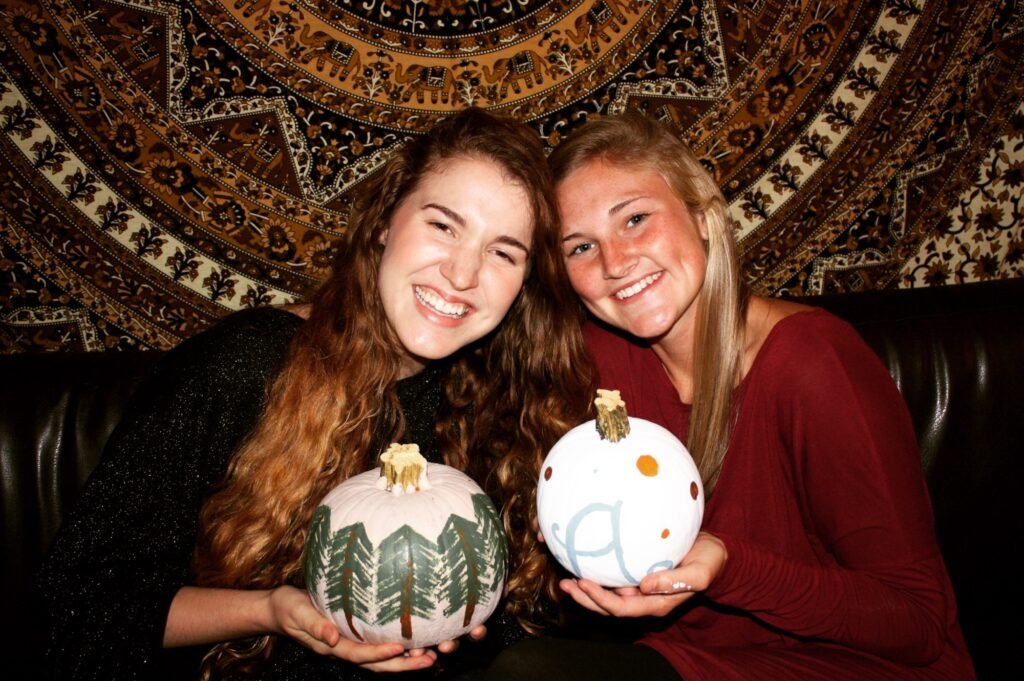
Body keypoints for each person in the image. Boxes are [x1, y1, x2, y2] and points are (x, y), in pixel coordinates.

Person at [38, 107, 594, 680]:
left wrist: (475, 610)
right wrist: (272, 612)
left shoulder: (505, 401)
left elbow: (521, 628)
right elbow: (77, 608)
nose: (461, 273)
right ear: (386, 222)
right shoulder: (246, 367)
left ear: (524, 283)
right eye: (443, 225)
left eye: (502, 252)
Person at [478, 112, 977, 680]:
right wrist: (575, 529)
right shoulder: (603, 363)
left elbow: (917, 621)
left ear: (703, 214)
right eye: (581, 247)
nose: (616, 264)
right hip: (696, 665)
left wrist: (728, 566)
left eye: (635, 219)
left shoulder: (813, 362)